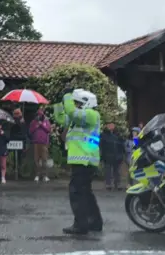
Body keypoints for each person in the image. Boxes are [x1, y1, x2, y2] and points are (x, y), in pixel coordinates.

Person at [53, 88, 103, 235]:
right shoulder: (80, 118)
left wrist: (67, 96)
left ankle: (81, 225)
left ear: (86, 103)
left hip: (84, 160)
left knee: (77, 192)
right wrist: (59, 103)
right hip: (84, 160)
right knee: (86, 193)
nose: (75, 105)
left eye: (77, 102)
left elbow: (72, 113)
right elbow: (62, 118)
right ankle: (94, 222)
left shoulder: (91, 114)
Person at [100, 122, 125, 191]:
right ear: (107, 126)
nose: (111, 126)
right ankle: (108, 184)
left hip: (117, 156)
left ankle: (117, 184)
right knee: (108, 170)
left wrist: (122, 153)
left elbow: (122, 144)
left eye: (112, 125)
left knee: (117, 171)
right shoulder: (103, 135)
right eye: (109, 125)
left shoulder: (118, 134)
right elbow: (101, 145)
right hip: (107, 155)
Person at [29, 108, 51, 183]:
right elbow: (30, 131)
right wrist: (36, 126)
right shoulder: (33, 122)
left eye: (41, 114)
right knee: (36, 160)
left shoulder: (46, 121)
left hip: (44, 143)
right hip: (36, 143)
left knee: (44, 159)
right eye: (38, 114)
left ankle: (45, 176)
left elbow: (49, 130)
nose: (39, 116)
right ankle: (37, 175)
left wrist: (42, 125)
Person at [11, 109, 28, 178]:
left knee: (21, 158)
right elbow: (13, 130)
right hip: (15, 141)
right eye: (16, 113)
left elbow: (24, 132)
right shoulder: (13, 121)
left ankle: (19, 171)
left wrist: (22, 123)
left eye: (18, 113)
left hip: (21, 141)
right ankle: (16, 171)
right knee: (16, 157)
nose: (17, 114)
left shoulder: (22, 121)